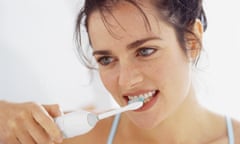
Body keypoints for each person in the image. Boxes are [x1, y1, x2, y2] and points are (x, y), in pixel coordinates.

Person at [0, 0, 239, 144]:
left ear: (192, 41)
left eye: (145, 51)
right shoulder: (68, 138)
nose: (126, 80)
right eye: (106, 59)